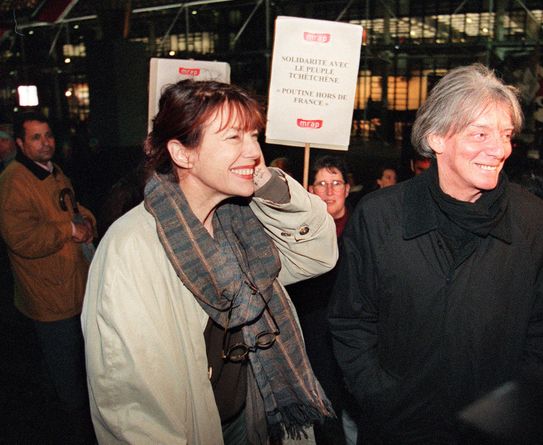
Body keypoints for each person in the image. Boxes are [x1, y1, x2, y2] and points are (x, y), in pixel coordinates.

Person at [328, 63, 543, 444]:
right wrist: (382, 396)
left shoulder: (538, 226)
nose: (500, 149)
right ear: (436, 138)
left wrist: (507, 412)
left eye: (506, 135)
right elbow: (351, 322)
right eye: (481, 133)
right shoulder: (379, 217)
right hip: (398, 429)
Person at [81, 80, 338, 444]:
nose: (254, 151)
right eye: (234, 138)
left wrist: (264, 183)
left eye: (253, 135)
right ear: (183, 154)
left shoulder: (239, 222)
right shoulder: (131, 248)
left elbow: (316, 255)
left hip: (251, 417)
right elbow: (134, 412)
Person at [0, 111, 96, 443]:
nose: (45, 143)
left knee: (62, 363)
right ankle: (74, 431)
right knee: (66, 371)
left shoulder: (53, 171)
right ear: (21, 144)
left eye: (48, 135)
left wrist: (87, 221)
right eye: (36, 138)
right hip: (49, 295)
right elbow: (21, 238)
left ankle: (54, 414)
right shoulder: (14, 180)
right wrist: (70, 229)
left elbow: (71, 207)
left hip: (71, 288)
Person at [287, 155, 356, 445]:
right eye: (321, 183)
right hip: (312, 335)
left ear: (347, 189)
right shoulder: (298, 233)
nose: (329, 191)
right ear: (310, 189)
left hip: (351, 337)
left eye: (336, 182)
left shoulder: (360, 230)